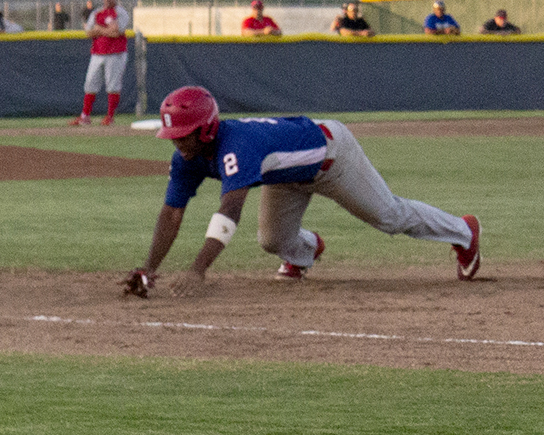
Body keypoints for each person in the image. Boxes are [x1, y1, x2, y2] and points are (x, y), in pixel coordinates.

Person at [124, 86, 481, 297]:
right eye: (173, 135)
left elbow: (230, 210)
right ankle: (307, 249)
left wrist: (198, 269)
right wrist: (148, 269)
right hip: (285, 176)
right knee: (272, 241)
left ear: (205, 129)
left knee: (389, 216)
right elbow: (172, 212)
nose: (177, 141)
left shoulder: (237, 146)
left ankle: (464, 232)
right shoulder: (187, 156)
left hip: (331, 157)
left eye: (183, 133)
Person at [69, 0, 131, 126]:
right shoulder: (97, 13)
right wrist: (106, 29)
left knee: (112, 85)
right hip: (98, 52)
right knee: (90, 83)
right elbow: (88, 32)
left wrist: (99, 29)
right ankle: (85, 116)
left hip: (116, 53)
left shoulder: (120, 12)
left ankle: (110, 116)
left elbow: (116, 32)